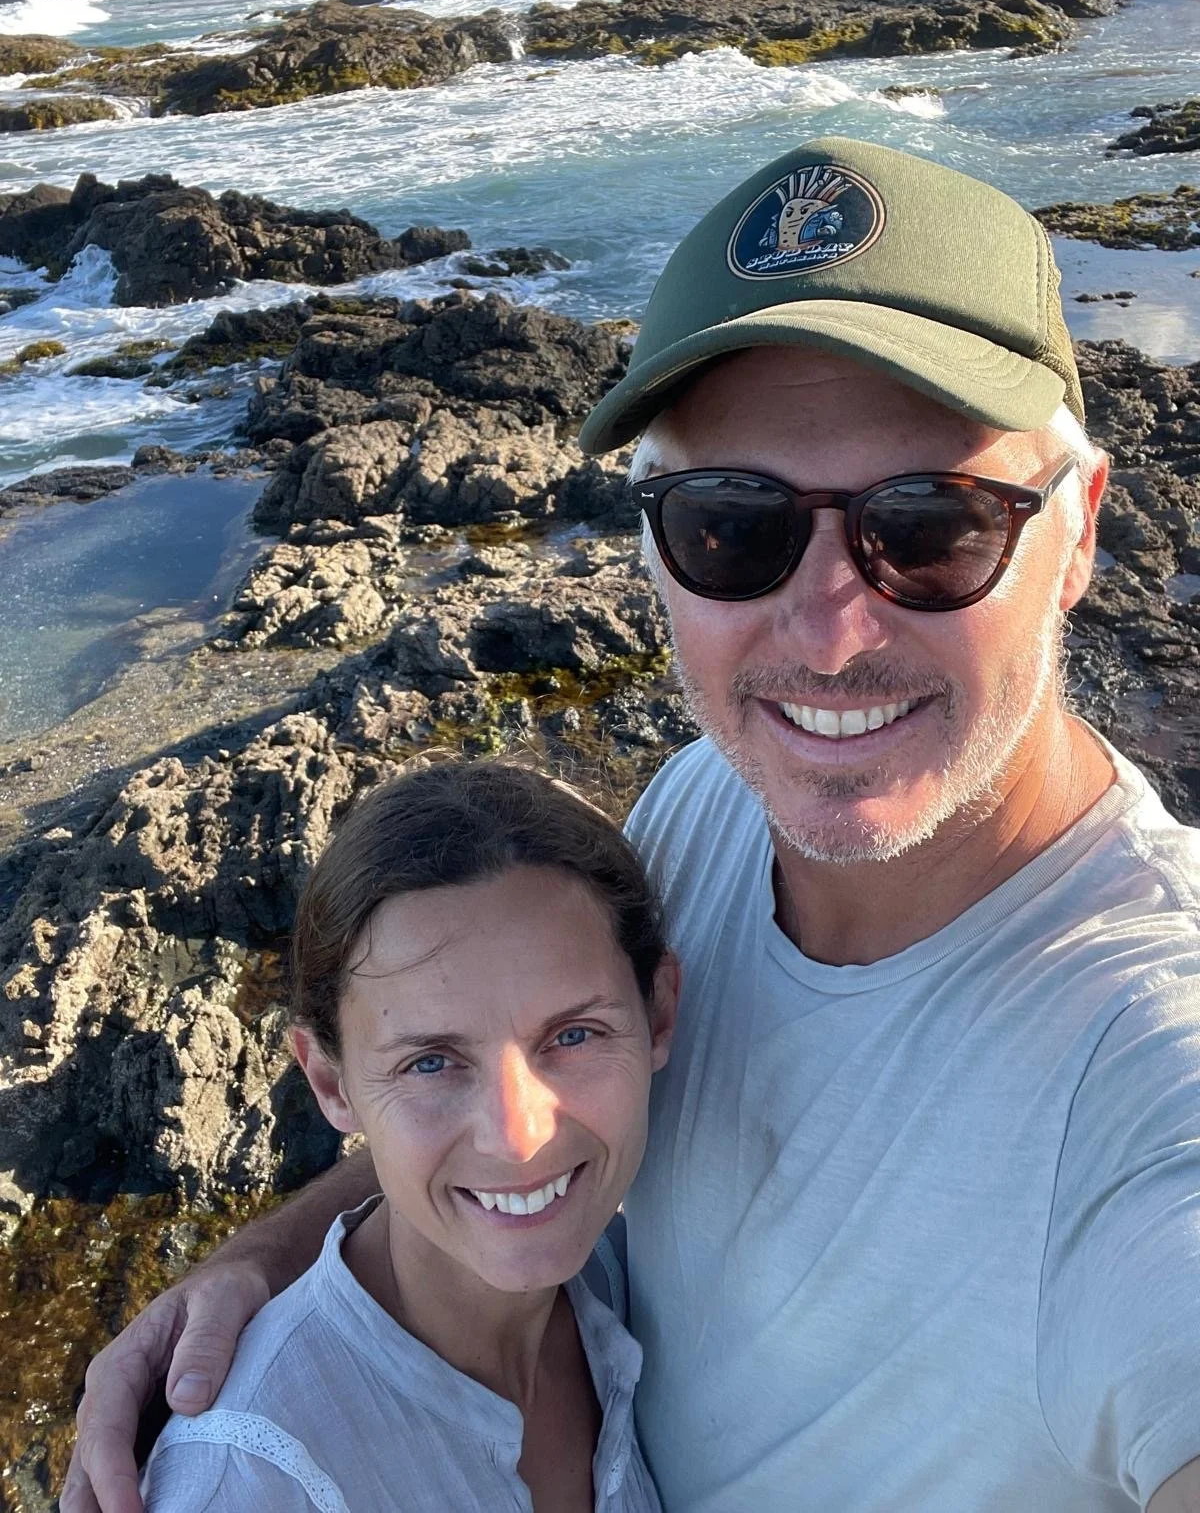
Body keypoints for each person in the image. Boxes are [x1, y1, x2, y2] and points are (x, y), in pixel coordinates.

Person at [66, 135, 1200, 1513]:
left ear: (1078, 530)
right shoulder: (709, 810)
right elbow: (527, 1109)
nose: (831, 633)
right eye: (732, 522)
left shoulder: (1151, 1080)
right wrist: (274, 1260)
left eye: (933, 522)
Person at [140, 759, 675, 1511]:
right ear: (331, 1084)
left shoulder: (615, 1285)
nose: (519, 1138)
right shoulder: (254, 1480)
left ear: (658, 1015)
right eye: (430, 1061)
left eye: (574, 1035)